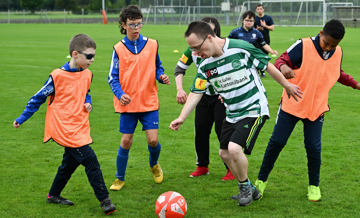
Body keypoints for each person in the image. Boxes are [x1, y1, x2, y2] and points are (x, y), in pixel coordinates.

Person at [169, 21, 302, 206]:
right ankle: (249, 187)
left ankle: (244, 188)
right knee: (224, 153)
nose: (195, 54)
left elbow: (267, 65)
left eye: (197, 48)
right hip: (232, 112)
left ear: (209, 37)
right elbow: (196, 92)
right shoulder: (205, 65)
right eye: (192, 50)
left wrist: (286, 85)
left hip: (254, 108)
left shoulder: (241, 48)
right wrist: (182, 117)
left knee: (233, 149)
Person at [254, 19, 360, 202]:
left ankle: (314, 186)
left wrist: (357, 85)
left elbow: (336, 72)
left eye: (333, 45)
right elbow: (280, 60)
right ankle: (260, 182)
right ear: (320, 33)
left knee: (313, 148)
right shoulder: (303, 45)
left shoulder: (337, 52)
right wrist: (285, 67)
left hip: (316, 108)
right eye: (326, 43)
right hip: (292, 105)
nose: (328, 48)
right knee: (276, 143)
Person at [12, 34, 116, 215]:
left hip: (80, 127)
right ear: (75, 54)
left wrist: (87, 101)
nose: (92, 60)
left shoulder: (87, 74)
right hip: (64, 129)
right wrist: (21, 118)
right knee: (91, 161)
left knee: (69, 164)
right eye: (89, 56)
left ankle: (53, 195)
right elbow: (37, 99)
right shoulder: (57, 76)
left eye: (94, 56)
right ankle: (105, 200)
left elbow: (86, 92)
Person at [108, 5, 170, 191]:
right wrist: (121, 95)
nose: (136, 29)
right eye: (132, 25)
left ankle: (154, 165)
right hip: (128, 104)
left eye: (139, 24)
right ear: (123, 25)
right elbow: (112, 78)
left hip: (149, 101)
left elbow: (158, 66)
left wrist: (161, 76)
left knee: (153, 140)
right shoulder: (118, 49)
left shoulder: (152, 44)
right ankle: (119, 178)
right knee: (126, 141)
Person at [175, 17, 234, 180]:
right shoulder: (192, 51)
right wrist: (179, 89)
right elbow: (179, 69)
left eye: (212, 31)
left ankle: (231, 168)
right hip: (202, 95)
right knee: (200, 131)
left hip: (221, 97)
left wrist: (226, 90)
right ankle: (202, 166)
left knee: (222, 132)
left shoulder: (224, 50)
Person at [229, 10, 278, 77]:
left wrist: (272, 51)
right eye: (247, 20)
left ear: (254, 21)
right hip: (239, 59)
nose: (249, 22)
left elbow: (264, 44)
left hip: (251, 59)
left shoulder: (257, 33)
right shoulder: (235, 32)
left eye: (251, 21)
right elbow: (228, 44)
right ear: (243, 21)